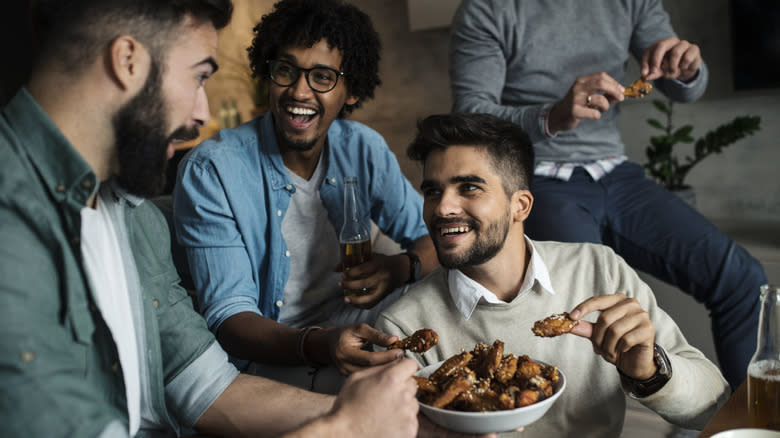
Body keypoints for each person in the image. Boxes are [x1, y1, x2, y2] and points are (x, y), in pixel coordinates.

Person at [0, 1, 424, 437]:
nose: (203, 114)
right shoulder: (13, 219)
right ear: (127, 62)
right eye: (199, 75)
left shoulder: (134, 215)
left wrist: (384, 421)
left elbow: (208, 388)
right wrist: (349, 427)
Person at [448, 0, 766, 389]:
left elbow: (684, 86)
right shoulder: (487, 9)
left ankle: (744, 422)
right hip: (539, 178)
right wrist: (552, 115)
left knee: (743, 280)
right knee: (581, 316)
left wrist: (688, 68)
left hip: (616, 175)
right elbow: (469, 114)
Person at [375, 113, 730, 437]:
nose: (442, 208)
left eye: (469, 187)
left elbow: (713, 405)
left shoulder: (598, 270)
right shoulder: (405, 326)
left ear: (521, 205)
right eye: (433, 191)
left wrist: (650, 371)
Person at [173, 0, 437, 391]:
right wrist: (321, 344)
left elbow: (435, 239)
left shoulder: (362, 148)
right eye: (286, 71)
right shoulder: (212, 170)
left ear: (351, 91)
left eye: (323, 77)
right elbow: (229, 319)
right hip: (271, 355)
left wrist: (401, 268)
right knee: (395, 393)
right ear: (268, 73)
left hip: (354, 325)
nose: (299, 91)